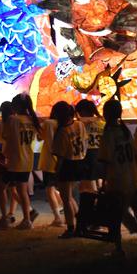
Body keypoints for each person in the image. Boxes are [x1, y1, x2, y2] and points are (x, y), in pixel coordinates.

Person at [98, 100, 137, 256]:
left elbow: (106, 160)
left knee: (116, 215)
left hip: (116, 179)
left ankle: (120, 247)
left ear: (106, 114)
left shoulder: (109, 133)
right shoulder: (125, 131)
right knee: (122, 212)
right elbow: (134, 155)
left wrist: (103, 182)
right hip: (130, 177)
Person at [0, 93, 41, 230]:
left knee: (1, 187)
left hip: (14, 161)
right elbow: (39, 139)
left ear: (17, 106)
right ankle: (27, 220)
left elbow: (5, 136)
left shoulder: (12, 120)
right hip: (27, 160)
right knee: (22, 191)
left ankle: (5, 218)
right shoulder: (32, 120)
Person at [51, 101, 88, 238]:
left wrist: (56, 173)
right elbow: (85, 141)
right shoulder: (79, 124)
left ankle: (71, 228)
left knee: (66, 199)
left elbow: (60, 156)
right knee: (70, 197)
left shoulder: (62, 131)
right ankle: (80, 224)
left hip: (68, 165)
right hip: (80, 162)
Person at [38, 105, 64, 227]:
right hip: (62, 160)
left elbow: (39, 137)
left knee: (49, 189)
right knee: (60, 189)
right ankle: (66, 210)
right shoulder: (65, 124)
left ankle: (57, 218)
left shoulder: (48, 123)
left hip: (49, 160)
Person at [0, 101, 20, 225]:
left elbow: (2, 142)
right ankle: (11, 213)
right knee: (13, 188)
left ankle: (5, 216)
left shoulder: (1, 125)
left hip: (7, 160)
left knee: (1, 188)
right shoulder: (17, 123)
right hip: (18, 159)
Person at [75, 99, 104, 191]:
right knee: (99, 177)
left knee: (89, 179)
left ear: (84, 111)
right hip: (100, 152)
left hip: (88, 153)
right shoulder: (102, 122)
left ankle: (94, 197)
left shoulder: (80, 124)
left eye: (79, 112)